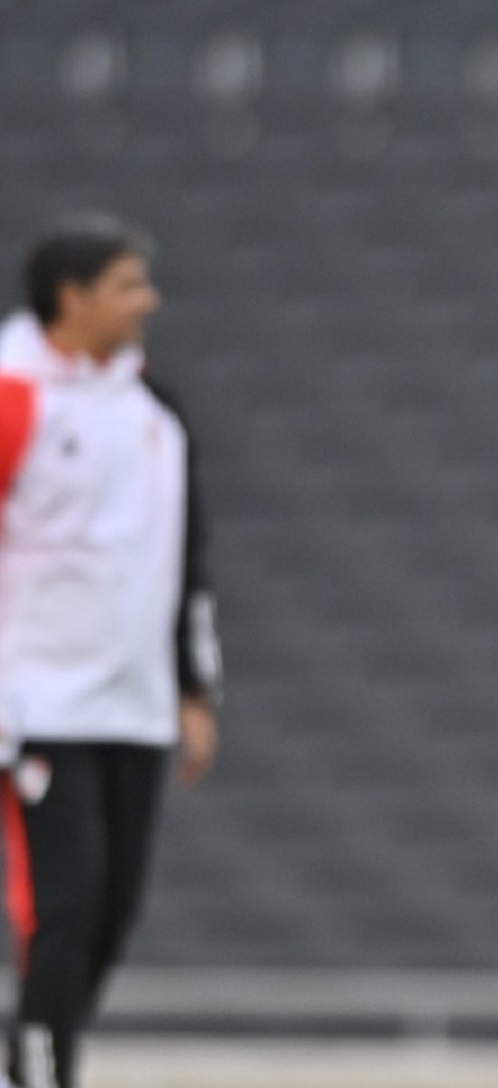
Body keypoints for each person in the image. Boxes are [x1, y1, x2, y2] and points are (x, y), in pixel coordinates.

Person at [0, 216, 222, 1088]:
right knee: (65, 900)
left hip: (132, 700)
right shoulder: (16, 394)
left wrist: (193, 688)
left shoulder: (152, 411)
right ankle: (43, 1068)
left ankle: (34, 1048)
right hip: (39, 701)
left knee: (115, 909)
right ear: (74, 297)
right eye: (130, 284)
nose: (149, 302)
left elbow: (182, 557)